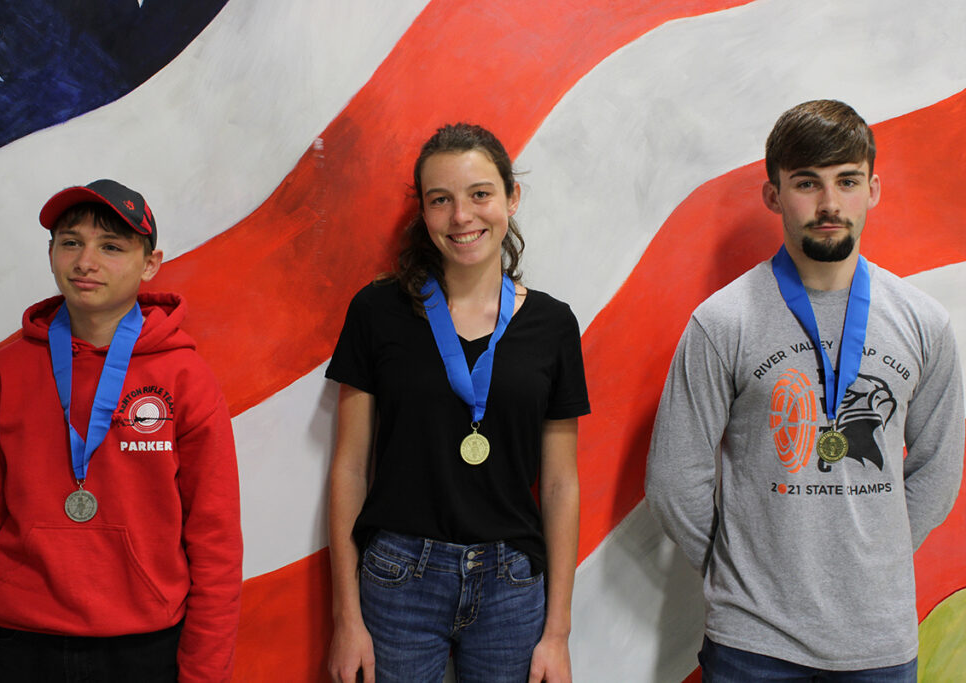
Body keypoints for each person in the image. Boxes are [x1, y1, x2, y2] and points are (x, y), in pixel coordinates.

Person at [645, 100, 964, 680]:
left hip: (879, 644)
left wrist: (874, 562)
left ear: (873, 189)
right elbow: (674, 478)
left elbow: (939, 472)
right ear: (774, 195)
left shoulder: (924, 323)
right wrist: (739, 573)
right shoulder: (722, 322)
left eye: (846, 181)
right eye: (806, 184)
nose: (828, 204)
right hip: (753, 645)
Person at [0, 180, 243, 682]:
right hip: (25, 641)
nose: (86, 261)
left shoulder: (185, 380)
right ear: (52, 253)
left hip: (147, 646)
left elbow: (215, 543)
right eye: (70, 242)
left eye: (111, 246)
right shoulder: (0, 377)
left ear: (150, 263)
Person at [326, 123, 590, 683]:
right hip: (399, 577)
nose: (462, 217)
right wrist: (346, 618)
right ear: (423, 212)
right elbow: (349, 467)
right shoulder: (377, 311)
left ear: (511, 198)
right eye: (440, 200)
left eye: (480, 194)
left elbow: (562, 484)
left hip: (512, 585)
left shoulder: (553, 324)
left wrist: (558, 632)